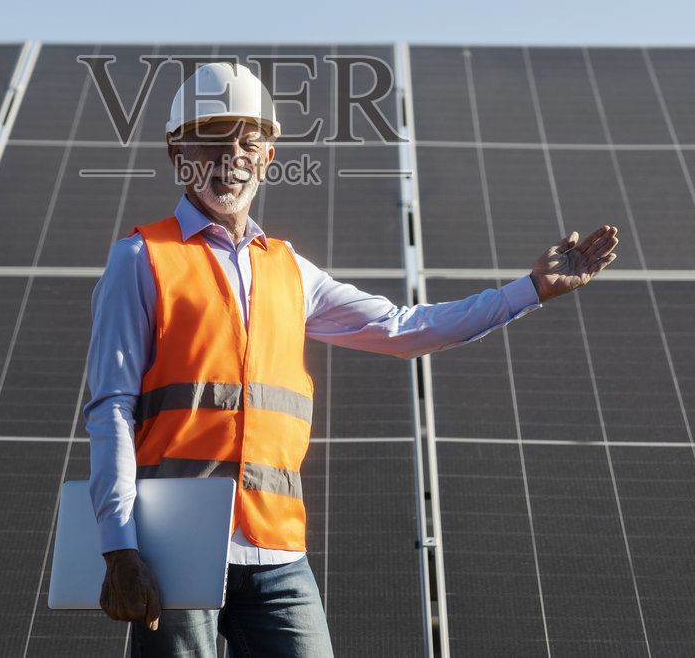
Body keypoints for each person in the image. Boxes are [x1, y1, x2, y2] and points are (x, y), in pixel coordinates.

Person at [83, 62, 619, 657]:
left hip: (278, 552)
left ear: (268, 154)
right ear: (178, 148)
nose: (233, 151)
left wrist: (530, 290)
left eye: (249, 136)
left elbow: (403, 328)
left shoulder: (289, 271)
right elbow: (112, 408)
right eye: (214, 133)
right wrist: (119, 545)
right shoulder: (140, 260)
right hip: (173, 542)